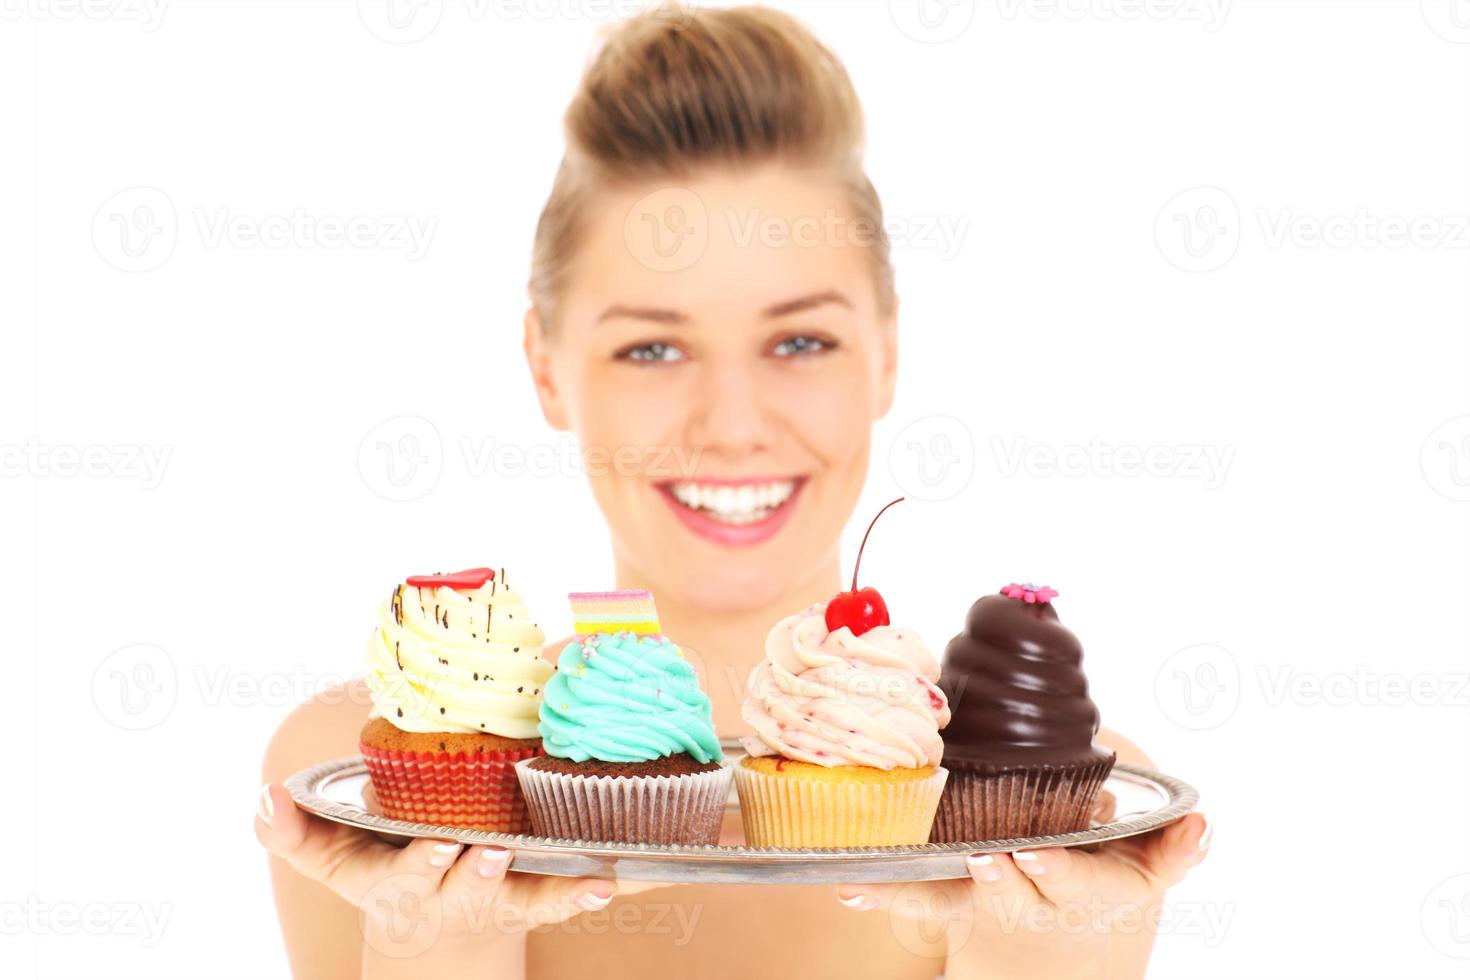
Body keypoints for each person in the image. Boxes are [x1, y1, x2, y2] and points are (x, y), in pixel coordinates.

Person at [254, 6, 1210, 978]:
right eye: (653, 347)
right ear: (545, 365)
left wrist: (1023, 948)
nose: (732, 422)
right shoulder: (366, 778)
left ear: (887, 354)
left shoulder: (1053, 820)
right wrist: (441, 937)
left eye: (800, 341)